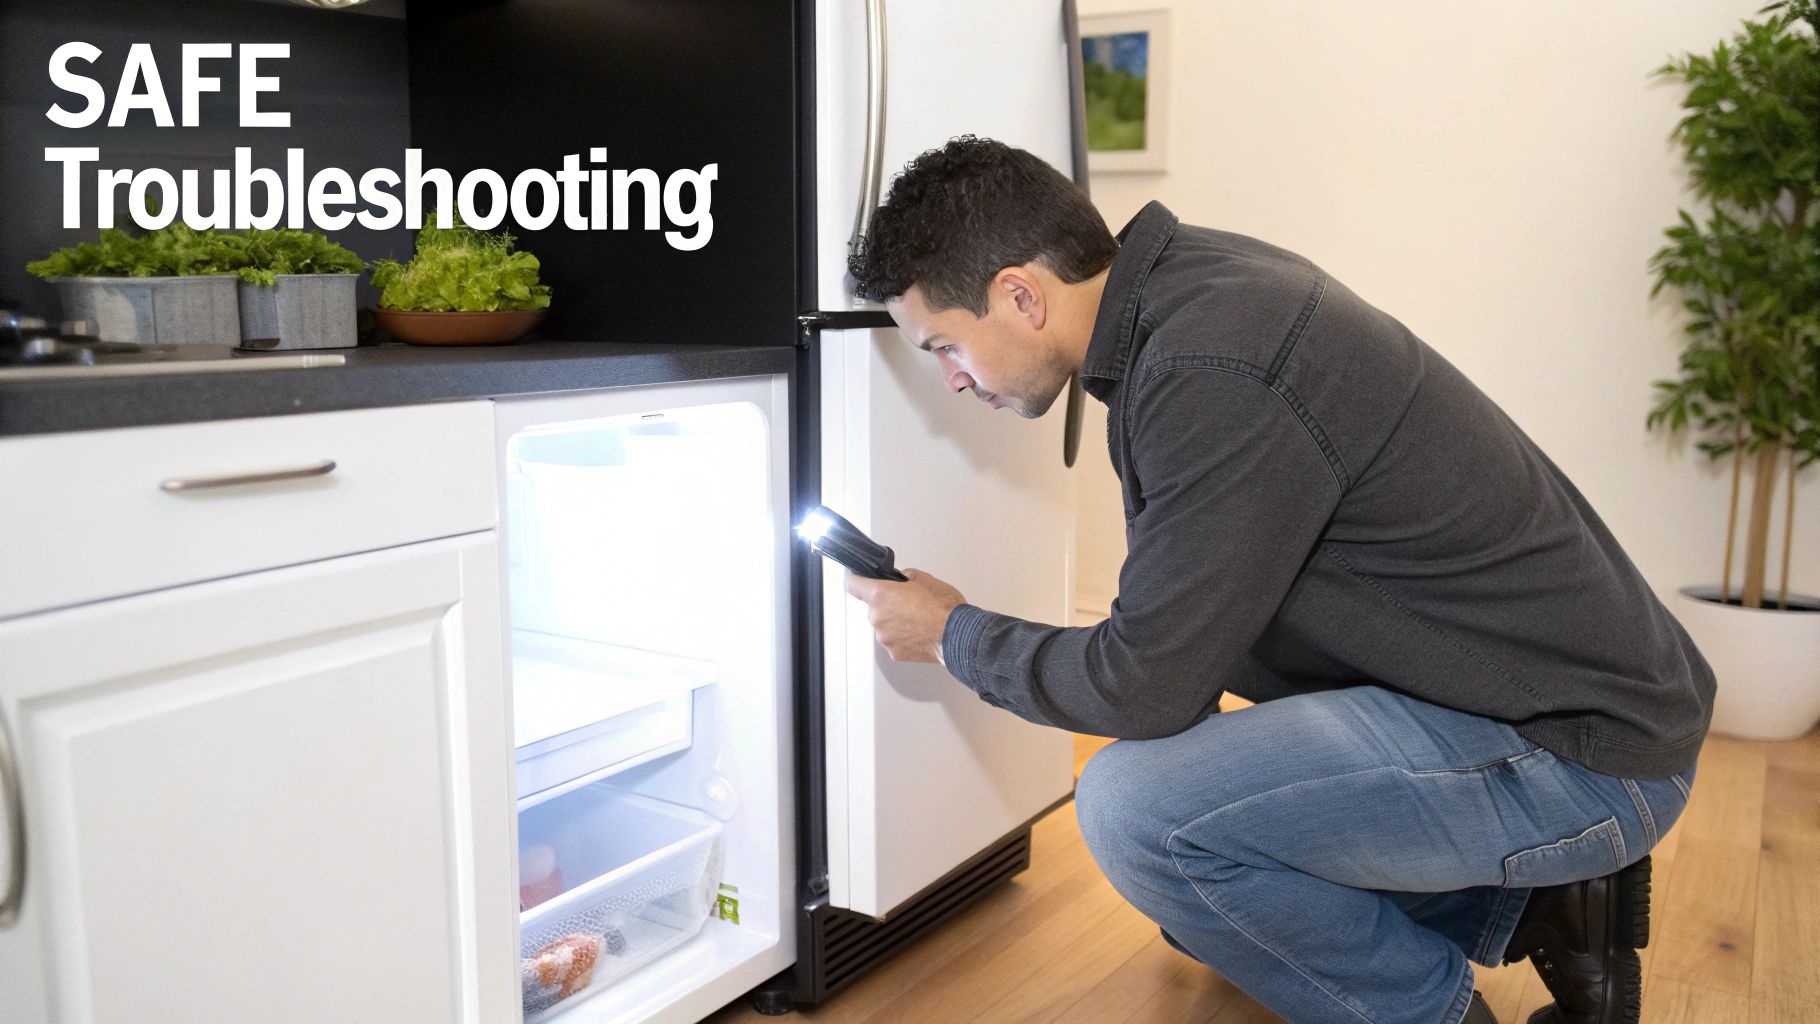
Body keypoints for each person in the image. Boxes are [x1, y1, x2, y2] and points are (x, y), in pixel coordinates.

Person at [840, 137, 1712, 1024]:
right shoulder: (1191, 290)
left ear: (1020, 295)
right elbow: (1175, 668)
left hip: (1582, 753)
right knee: (1207, 898)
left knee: (1139, 817)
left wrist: (952, 634)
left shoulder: (1212, 369)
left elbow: (1145, 689)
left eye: (944, 345)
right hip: (1543, 703)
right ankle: (1545, 903)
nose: (950, 380)